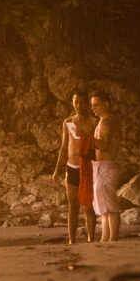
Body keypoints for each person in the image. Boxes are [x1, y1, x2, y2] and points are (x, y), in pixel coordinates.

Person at [51, 90, 94, 244]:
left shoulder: (94, 122)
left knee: (88, 205)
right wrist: (57, 170)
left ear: (88, 104)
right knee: (73, 206)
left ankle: (91, 239)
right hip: (71, 167)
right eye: (76, 102)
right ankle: (72, 240)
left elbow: (97, 147)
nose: (79, 105)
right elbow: (64, 147)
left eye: (83, 102)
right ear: (72, 103)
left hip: (87, 167)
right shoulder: (68, 122)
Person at [90, 91, 121, 242]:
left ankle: (112, 238)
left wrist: (85, 137)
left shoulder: (107, 122)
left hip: (106, 166)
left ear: (106, 104)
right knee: (103, 206)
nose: (93, 109)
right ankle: (105, 238)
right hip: (100, 166)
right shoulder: (103, 121)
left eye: (96, 105)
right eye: (92, 106)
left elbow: (103, 145)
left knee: (109, 204)